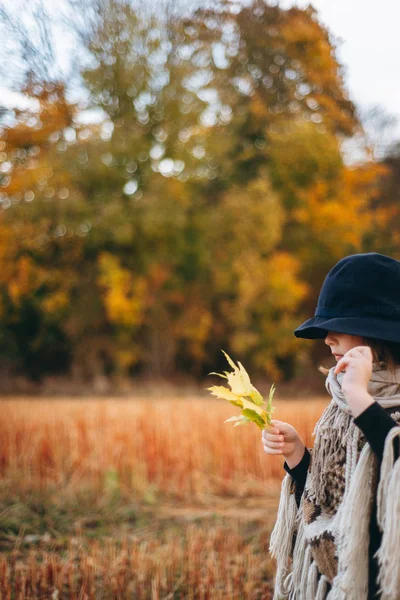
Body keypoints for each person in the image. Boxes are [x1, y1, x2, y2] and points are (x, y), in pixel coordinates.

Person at [262, 252, 400, 600]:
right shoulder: (339, 407)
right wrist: (298, 456)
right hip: (338, 584)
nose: (327, 339)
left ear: (378, 334)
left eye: (340, 327)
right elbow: (330, 498)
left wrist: (359, 397)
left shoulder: (355, 398)